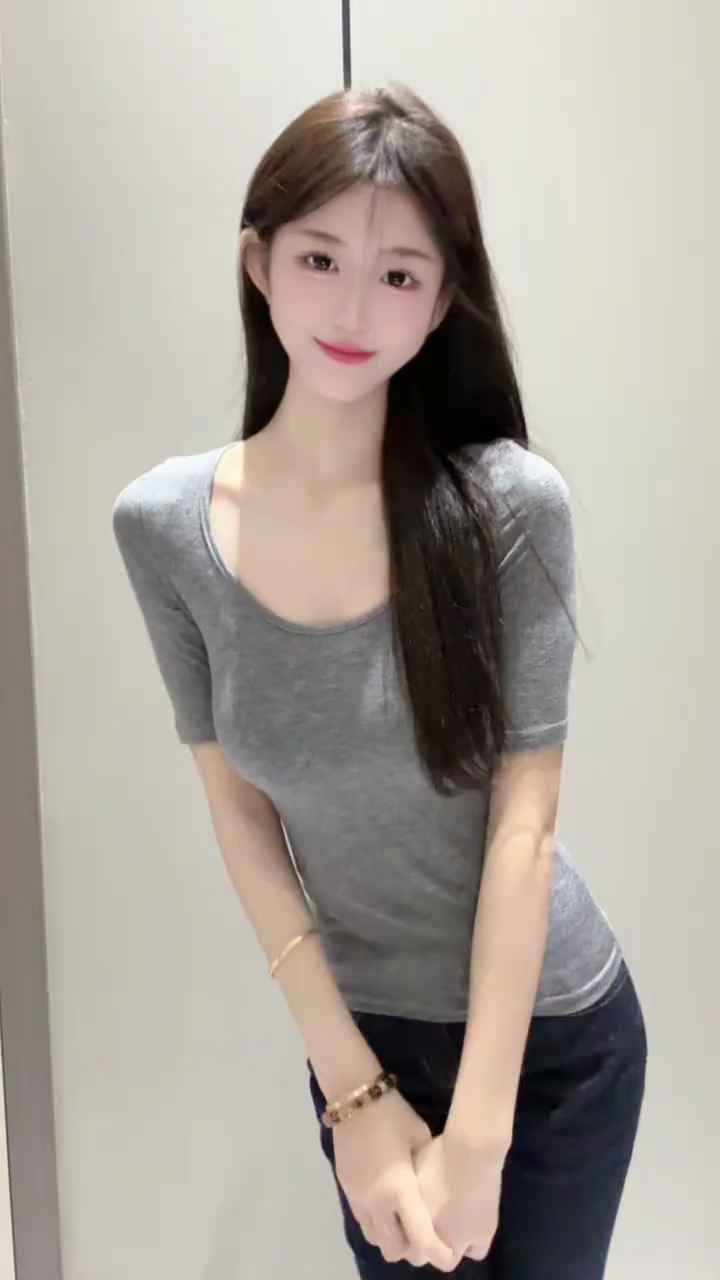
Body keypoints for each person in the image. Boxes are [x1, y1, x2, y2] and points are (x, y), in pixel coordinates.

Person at [112, 82, 648, 1277]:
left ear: (443, 299)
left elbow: (524, 822)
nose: (355, 308)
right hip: (364, 1046)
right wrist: (352, 1093)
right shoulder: (163, 526)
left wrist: (482, 1136)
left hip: (550, 1043)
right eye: (319, 258)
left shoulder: (509, 506)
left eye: (400, 273)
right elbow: (241, 819)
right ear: (257, 262)